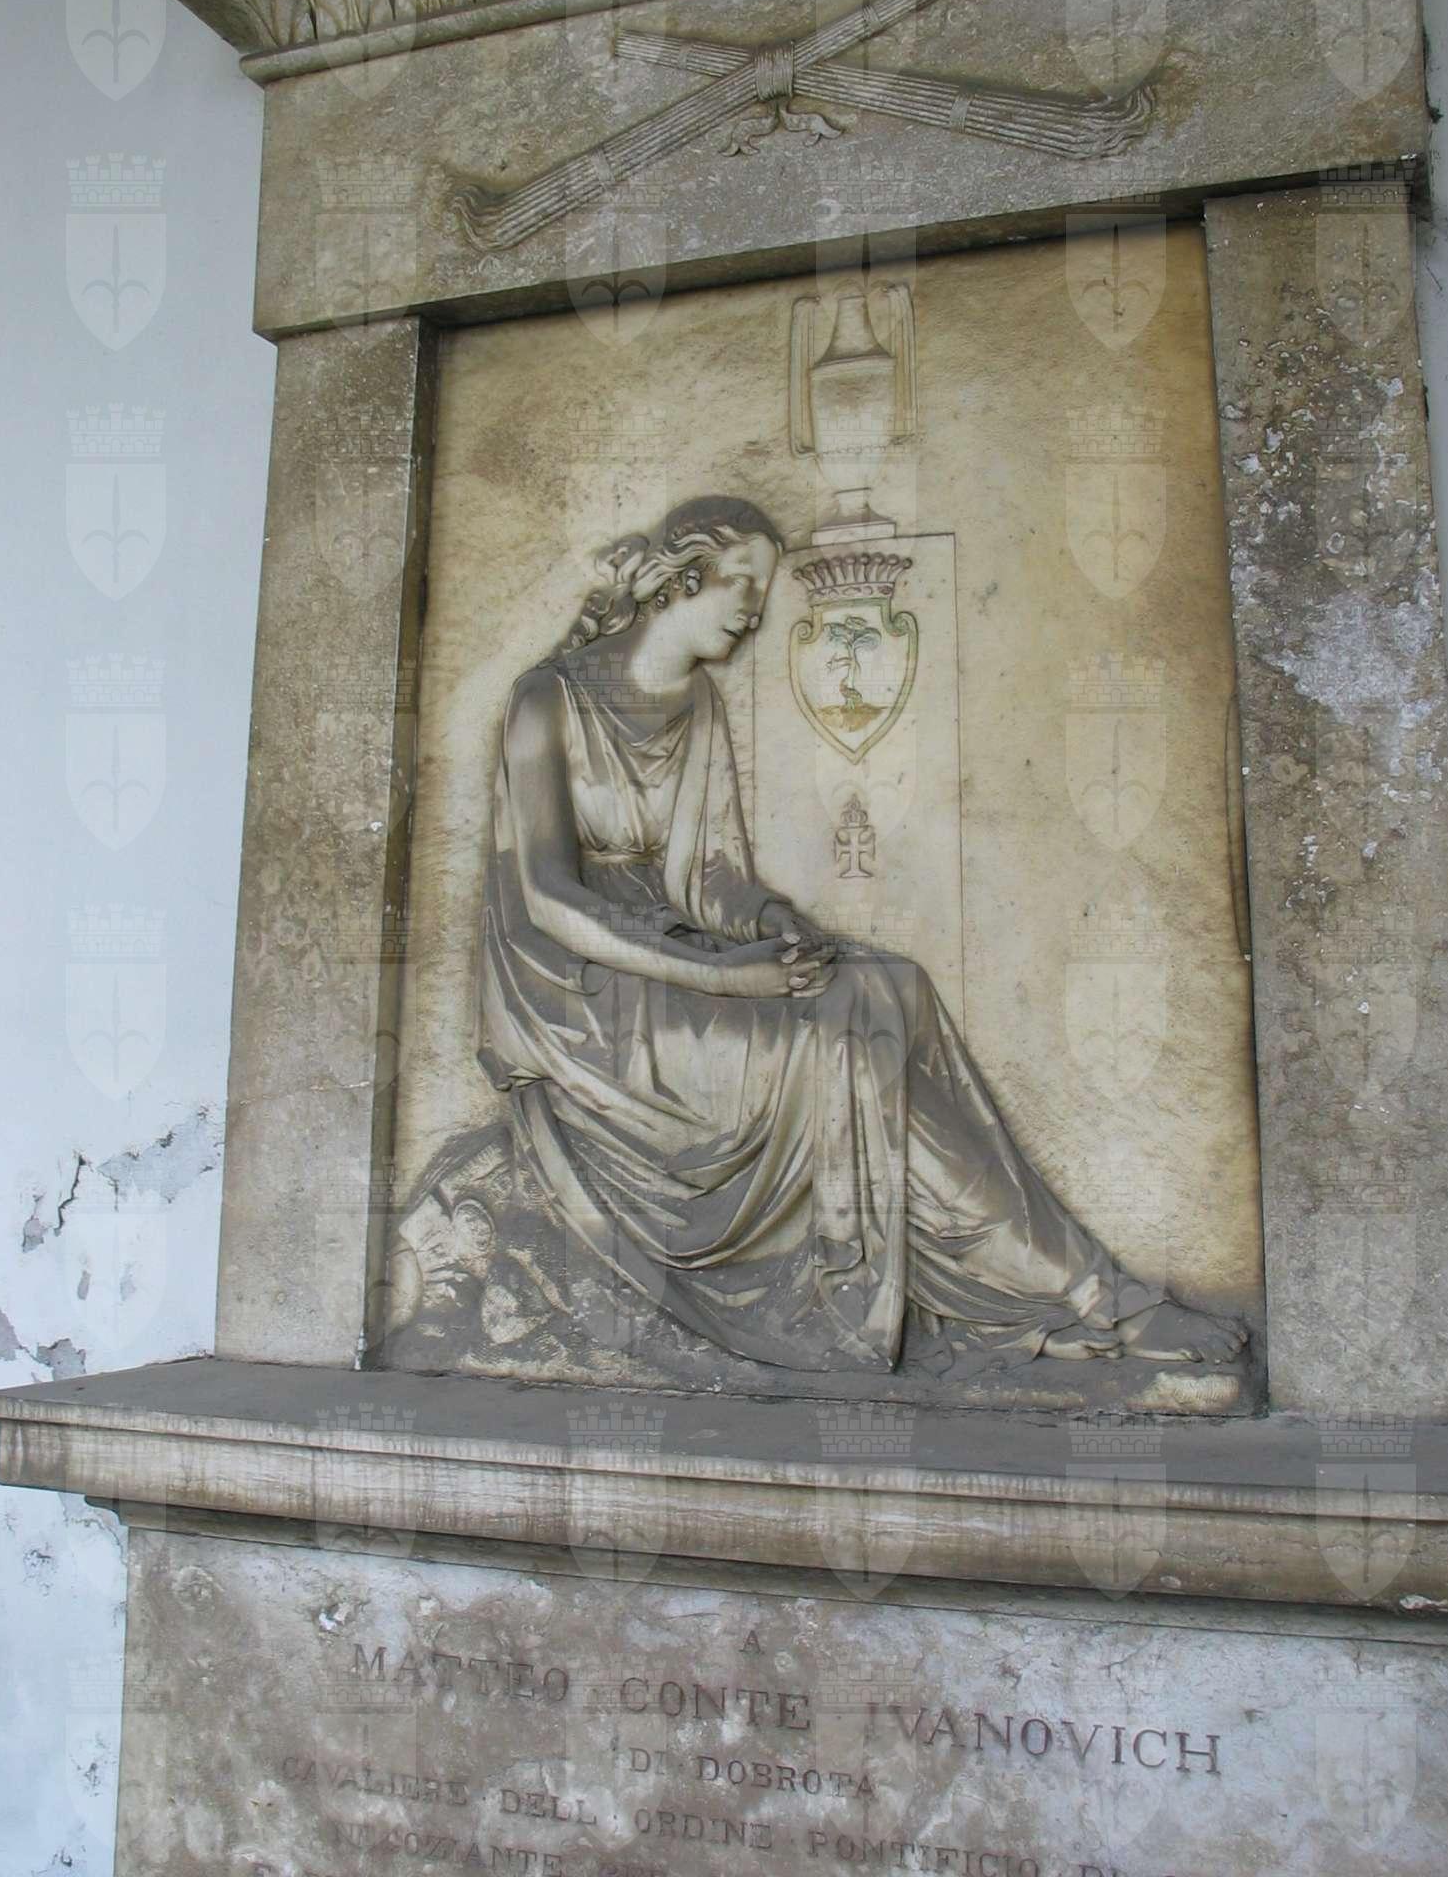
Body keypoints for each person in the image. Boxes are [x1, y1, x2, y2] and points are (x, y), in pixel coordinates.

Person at [478, 495, 1246, 1373]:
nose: (754, 610)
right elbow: (547, 897)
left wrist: (776, 925)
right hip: (581, 996)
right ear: (681, 579)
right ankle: (1094, 1296)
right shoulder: (547, 698)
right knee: (842, 1039)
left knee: (893, 987)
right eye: (742, 582)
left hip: (673, 953)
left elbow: (712, 877)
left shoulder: (696, 704)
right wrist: (725, 977)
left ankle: (1042, 1286)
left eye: (762, 590)